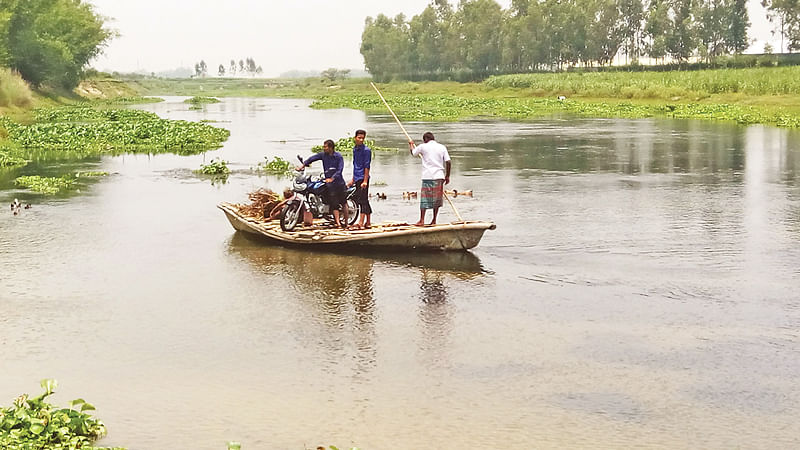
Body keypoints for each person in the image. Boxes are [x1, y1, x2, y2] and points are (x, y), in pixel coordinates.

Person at [297, 139, 348, 228]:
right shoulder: (323, 155)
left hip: (339, 183)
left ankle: (347, 222)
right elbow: (313, 158)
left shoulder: (338, 157)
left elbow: (340, 170)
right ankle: (338, 223)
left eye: (325, 147)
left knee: (344, 203)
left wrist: (332, 178)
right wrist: (303, 165)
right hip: (330, 185)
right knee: (334, 203)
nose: (324, 148)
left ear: (331, 148)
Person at [408, 131, 451, 226]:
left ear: (425, 139)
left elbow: (413, 153)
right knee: (437, 200)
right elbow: (448, 162)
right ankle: (434, 220)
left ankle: (421, 220)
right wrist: (447, 176)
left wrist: (411, 145)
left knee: (425, 199)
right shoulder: (442, 147)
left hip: (428, 176)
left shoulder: (423, 146)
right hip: (439, 177)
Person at [348, 129, 372, 229]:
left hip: (363, 178)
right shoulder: (355, 149)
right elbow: (355, 164)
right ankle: (368, 222)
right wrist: (353, 179)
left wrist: (365, 181)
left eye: (363, 138)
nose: (361, 140)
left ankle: (361, 222)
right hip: (357, 177)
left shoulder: (366, 151)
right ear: (355, 138)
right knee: (364, 200)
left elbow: (367, 166)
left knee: (362, 200)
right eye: (359, 138)